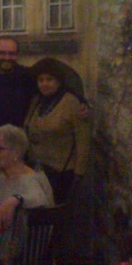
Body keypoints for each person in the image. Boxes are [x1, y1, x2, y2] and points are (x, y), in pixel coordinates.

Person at [24, 59, 90, 203]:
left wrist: (79, 173)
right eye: (41, 80)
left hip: (62, 173)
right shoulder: (36, 101)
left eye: (49, 79)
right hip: (37, 169)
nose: (45, 84)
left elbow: (83, 140)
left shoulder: (72, 102)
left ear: (59, 82)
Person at [0, 124, 54, 232]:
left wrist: (15, 199)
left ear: (16, 153)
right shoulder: (5, 177)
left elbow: (38, 199)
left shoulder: (30, 179)